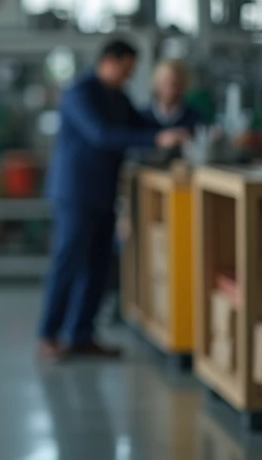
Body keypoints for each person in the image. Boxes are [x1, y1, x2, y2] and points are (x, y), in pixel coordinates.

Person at [37, 40, 190, 361]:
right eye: (127, 69)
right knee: (68, 263)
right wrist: (156, 138)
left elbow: (143, 124)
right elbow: (102, 134)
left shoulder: (118, 97)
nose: (129, 77)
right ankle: (48, 335)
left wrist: (179, 128)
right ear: (110, 61)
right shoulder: (80, 92)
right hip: (75, 194)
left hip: (104, 193)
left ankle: (81, 334)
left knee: (98, 266)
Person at [142, 58, 203, 133]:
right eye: (165, 83)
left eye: (175, 84)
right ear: (157, 84)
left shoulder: (194, 117)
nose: (170, 89)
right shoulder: (142, 116)